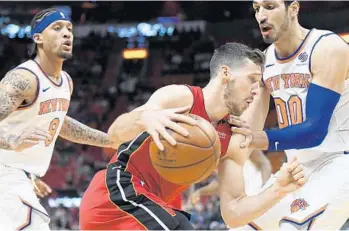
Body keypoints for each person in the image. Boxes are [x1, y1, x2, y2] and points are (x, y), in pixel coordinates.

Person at [79, 42, 306, 230]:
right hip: (115, 194)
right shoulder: (181, 98)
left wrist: (278, 189)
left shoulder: (231, 139)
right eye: (251, 79)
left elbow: (234, 213)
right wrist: (144, 118)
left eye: (260, 83)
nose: (256, 90)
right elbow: (114, 133)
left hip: (153, 208)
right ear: (226, 73)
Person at [228, 0, 349, 229]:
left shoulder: (327, 47)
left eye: (270, 7)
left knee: (293, 227)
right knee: (242, 226)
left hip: (340, 162)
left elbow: (314, 131)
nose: (261, 16)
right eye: (256, 9)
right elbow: (246, 130)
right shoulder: (265, 62)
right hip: (298, 169)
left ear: (293, 9)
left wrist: (254, 138)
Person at [0, 8, 115, 230]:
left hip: (17, 175)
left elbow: (61, 123)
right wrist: (13, 139)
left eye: (69, 29)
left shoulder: (65, 82)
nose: (67, 34)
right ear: (38, 38)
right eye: (57, 28)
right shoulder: (24, 78)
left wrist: (111, 141)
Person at [189, 149, 272, 205]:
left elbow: (264, 163)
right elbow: (219, 184)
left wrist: (264, 187)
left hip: (261, 195)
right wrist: (200, 192)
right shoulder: (217, 158)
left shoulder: (242, 140)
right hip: (244, 206)